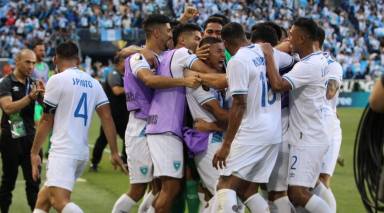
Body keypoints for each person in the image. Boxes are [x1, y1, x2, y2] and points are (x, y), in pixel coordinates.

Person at [111, 14, 204, 213]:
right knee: (138, 188)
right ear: (156, 33)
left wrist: (182, 20)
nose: (170, 34)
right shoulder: (137, 57)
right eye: (168, 31)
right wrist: (184, 82)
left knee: (160, 186)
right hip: (140, 125)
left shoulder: (161, 56)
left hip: (157, 124)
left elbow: (168, 43)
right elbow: (150, 81)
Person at [30, 41, 127, 213]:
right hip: (81, 153)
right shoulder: (94, 83)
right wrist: (113, 152)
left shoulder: (57, 79)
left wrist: (34, 152)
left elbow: (46, 119)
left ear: (55, 59)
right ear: (78, 59)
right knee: (43, 199)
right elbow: (107, 118)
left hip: (63, 150)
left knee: (58, 200)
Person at [262, 17, 331, 212]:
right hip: (312, 133)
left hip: (308, 137)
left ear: (302, 38)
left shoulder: (307, 66)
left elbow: (277, 86)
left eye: (291, 35)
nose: (288, 39)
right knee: (302, 193)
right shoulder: (320, 59)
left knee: (297, 193)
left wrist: (268, 55)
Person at [212, 22, 281, 213]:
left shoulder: (237, 61)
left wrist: (226, 145)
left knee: (224, 186)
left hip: (253, 131)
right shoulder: (263, 51)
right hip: (274, 131)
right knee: (248, 189)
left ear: (225, 43)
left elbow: (239, 104)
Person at [0, 49, 44, 212]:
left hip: (30, 138)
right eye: (27, 62)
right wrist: (30, 98)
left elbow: (45, 108)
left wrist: (43, 97)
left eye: (33, 63)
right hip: (11, 137)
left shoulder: (33, 83)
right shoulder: (6, 82)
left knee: (34, 181)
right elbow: (8, 108)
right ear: (17, 61)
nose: (31, 66)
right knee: (8, 181)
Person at [312, 26, 343, 213]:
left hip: (325, 126)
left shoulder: (330, 64)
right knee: (304, 184)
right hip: (310, 127)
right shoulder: (302, 62)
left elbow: (330, 92)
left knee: (321, 181)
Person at [90, 54, 128, 172]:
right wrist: (133, 89)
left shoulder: (124, 75)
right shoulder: (114, 74)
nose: (127, 63)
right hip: (111, 115)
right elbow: (116, 90)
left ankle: (125, 162)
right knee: (103, 139)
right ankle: (94, 163)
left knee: (128, 138)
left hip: (123, 114)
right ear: (119, 62)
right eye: (125, 61)